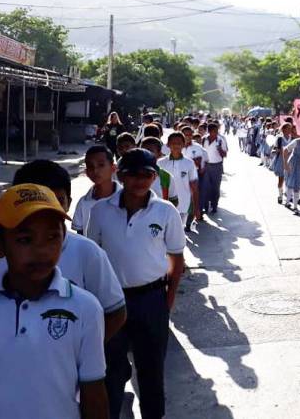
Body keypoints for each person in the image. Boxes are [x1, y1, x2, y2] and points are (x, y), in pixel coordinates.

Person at [0, 184, 108, 418]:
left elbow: (93, 394)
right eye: (25, 239)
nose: (42, 250)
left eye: (52, 237)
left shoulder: (85, 309)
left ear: (64, 238)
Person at [0, 160, 127, 344]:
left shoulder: (88, 252)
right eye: (34, 202)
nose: (46, 211)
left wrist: (82, 352)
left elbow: (115, 312)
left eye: (57, 200)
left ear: (69, 202)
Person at [86, 148, 186, 419]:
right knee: (111, 371)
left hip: (151, 300)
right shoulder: (100, 211)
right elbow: (92, 258)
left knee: (151, 371)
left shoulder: (166, 212)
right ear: (121, 174)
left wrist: (168, 301)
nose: (140, 181)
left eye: (147, 174)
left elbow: (177, 259)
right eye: (133, 174)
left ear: (155, 177)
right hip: (111, 302)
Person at [72, 145, 121, 235]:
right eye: (91, 166)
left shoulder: (127, 199)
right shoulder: (83, 203)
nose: (95, 170)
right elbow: (81, 236)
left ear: (113, 168)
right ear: (86, 172)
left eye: (101, 165)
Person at [159, 131, 201, 232]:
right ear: (168, 144)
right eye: (173, 143)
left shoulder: (189, 163)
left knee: (179, 233)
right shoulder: (160, 163)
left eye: (179, 143)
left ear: (183, 144)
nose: (176, 145)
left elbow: (194, 188)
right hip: (164, 206)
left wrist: (196, 208)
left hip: (184, 206)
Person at [141, 136, 179, 208]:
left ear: (159, 154)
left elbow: (174, 201)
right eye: (143, 150)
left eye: (150, 151)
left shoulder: (166, 177)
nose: (145, 154)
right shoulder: (131, 174)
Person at [201, 122, 228, 215]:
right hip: (206, 165)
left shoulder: (221, 140)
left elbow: (225, 154)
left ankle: (214, 205)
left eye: (217, 131)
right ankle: (205, 206)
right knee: (205, 187)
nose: (216, 133)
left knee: (215, 187)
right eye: (213, 131)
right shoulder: (204, 140)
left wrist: (220, 149)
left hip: (217, 166)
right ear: (209, 131)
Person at [284, 131, 300, 216]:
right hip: (294, 164)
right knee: (294, 184)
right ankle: (293, 205)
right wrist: (286, 164)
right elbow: (286, 150)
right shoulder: (297, 141)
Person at [271, 122, 292, 205]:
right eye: (288, 128)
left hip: (290, 161)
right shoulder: (279, 138)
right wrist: (277, 151)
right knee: (281, 179)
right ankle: (280, 195)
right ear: (283, 129)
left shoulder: (292, 138)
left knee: (290, 180)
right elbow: (273, 150)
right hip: (281, 161)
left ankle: (288, 198)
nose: (289, 130)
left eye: (290, 128)